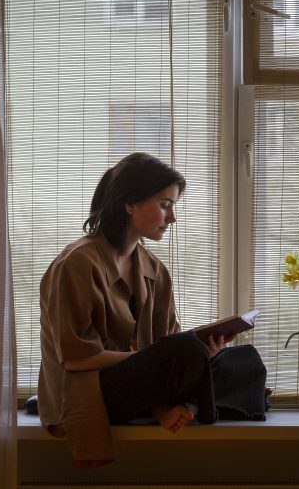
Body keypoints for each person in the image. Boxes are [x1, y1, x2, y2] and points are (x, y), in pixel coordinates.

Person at [37, 153, 266, 469]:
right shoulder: (76, 264)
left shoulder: (154, 270)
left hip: (138, 383)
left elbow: (165, 346)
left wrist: (205, 352)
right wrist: (165, 358)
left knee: (245, 361)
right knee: (186, 352)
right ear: (130, 203)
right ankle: (189, 402)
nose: (171, 217)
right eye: (165, 204)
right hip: (89, 388)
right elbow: (77, 359)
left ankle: (172, 405)